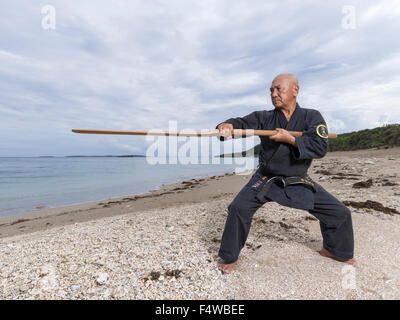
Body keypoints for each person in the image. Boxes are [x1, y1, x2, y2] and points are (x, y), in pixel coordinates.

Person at [216, 73, 356, 274]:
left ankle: (335, 250)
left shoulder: (312, 117)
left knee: (340, 213)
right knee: (238, 208)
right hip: (266, 177)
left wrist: (290, 139)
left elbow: (320, 148)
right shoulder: (264, 118)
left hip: (298, 178)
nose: (273, 94)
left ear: (295, 90)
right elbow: (239, 123)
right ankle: (229, 257)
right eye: (271, 90)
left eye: (278, 89)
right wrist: (227, 126)